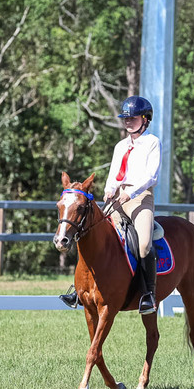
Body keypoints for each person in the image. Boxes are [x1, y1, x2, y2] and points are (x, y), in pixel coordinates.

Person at [60, 95, 161, 314]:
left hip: (140, 197)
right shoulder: (120, 145)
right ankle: (79, 289)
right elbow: (115, 174)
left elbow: (152, 176)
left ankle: (148, 294)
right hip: (116, 197)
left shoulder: (152, 142)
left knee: (143, 244)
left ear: (145, 119)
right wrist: (109, 189)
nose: (127, 121)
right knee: (90, 231)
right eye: (125, 118)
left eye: (132, 118)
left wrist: (130, 193)